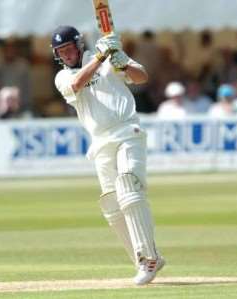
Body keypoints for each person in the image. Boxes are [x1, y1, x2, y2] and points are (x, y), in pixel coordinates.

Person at [52, 25, 164, 285]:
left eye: (69, 48)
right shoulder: (62, 76)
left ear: (79, 45)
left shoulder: (107, 55)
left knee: (129, 189)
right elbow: (78, 83)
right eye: (61, 51)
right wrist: (102, 57)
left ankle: (148, 259)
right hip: (100, 142)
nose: (67, 55)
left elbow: (141, 78)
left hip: (127, 131)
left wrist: (121, 61)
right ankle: (145, 259)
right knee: (112, 206)